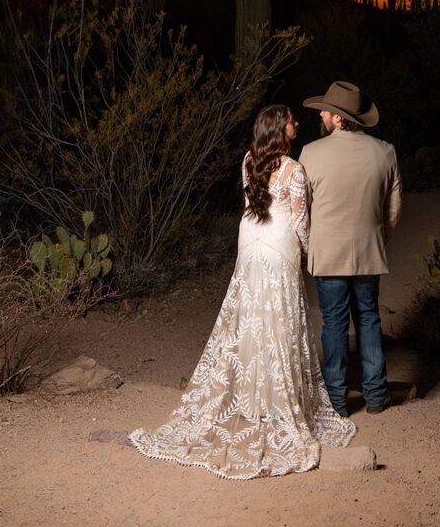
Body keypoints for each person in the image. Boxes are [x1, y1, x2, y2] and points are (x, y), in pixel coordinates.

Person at [128, 104, 355, 480]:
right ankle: (277, 400)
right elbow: (299, 221)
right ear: (280, 130)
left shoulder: (249, 159)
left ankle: (256, 397)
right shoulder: (294, 170)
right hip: (278, 243)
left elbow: (251, 205)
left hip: (250, 240)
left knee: (250, 315)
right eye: (291, 121)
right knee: (279, 316)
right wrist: (310, 251)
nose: (297, 124)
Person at [299, 81, 402, 417]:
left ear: (340, 119)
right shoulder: (385, 151)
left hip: (328, 255)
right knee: (369, 320)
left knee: (334, 324)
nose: (323, 115)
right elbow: (394, 208)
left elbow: (304, 209)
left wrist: (312, 243)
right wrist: (377, 238)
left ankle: (338, 401)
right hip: (368, 252)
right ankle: (375, 396)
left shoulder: (311, 154)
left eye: (327, 112)